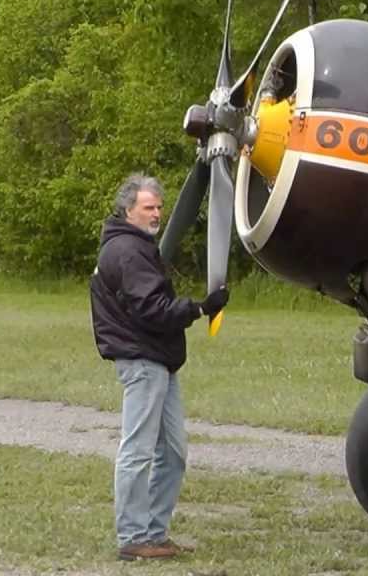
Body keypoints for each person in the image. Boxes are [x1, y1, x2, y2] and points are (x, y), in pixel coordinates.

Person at [89, 173, 229, 561]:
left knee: (173, 449)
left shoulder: (133, 247)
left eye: (159, 207)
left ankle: (152, 532)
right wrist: (199, 308)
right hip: (143, 361)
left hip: (158, 360)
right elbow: (151, 308)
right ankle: (133, 536)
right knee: (138, 448)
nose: (157, 214)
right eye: (148, 207)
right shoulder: (129, 252)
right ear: (127, 210)